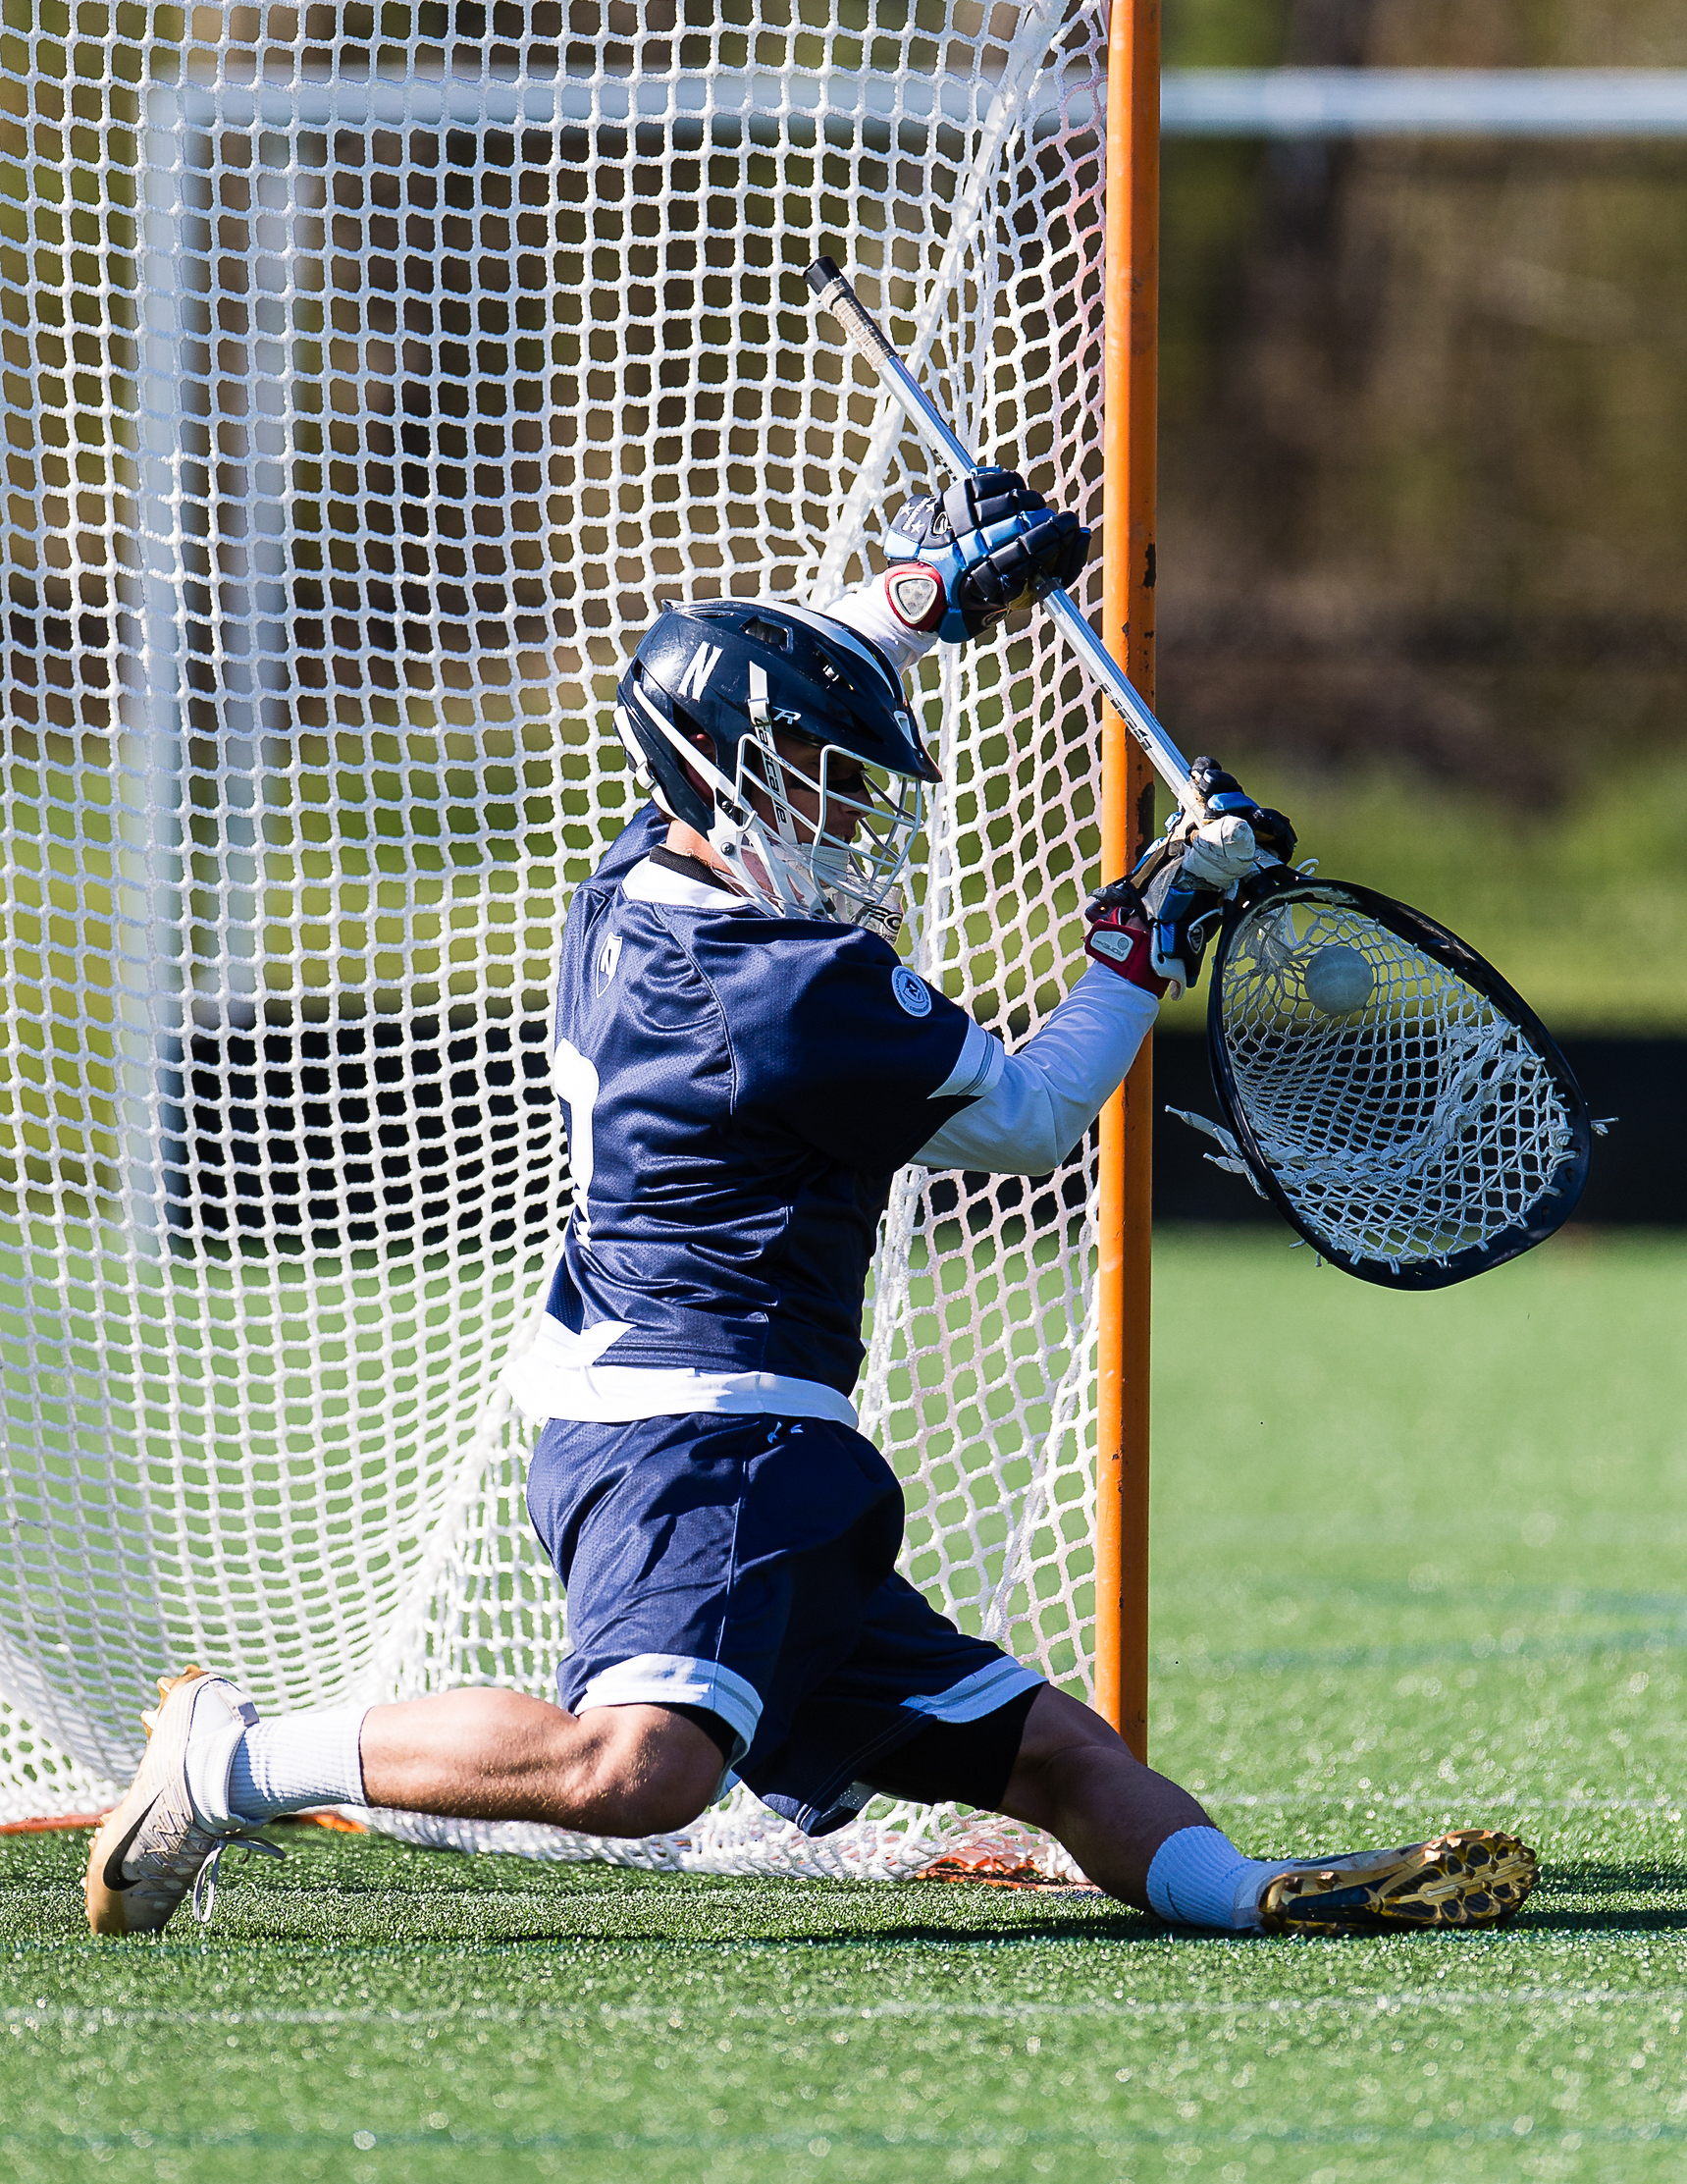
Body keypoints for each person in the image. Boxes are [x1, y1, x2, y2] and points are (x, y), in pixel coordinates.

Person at [85, 472, 1537, 1940]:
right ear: (726, 772)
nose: (846, 815)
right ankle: (235, 1759)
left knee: (1049, 1750)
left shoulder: (631, 893)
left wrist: (924, 602)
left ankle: (1256, 1895)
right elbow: (1035, 1118)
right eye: (817, 778)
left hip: (761, 1450)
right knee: (639, 1768)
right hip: (694, 1438)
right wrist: (1143, 934)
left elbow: (743, 688)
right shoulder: (781, 993)